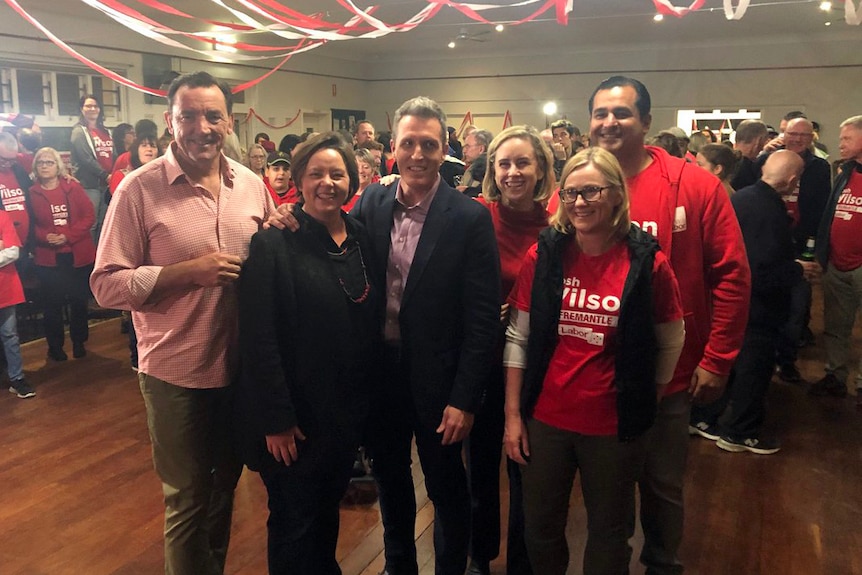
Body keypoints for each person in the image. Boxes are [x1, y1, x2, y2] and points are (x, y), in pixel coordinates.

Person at [90, 71, 273, 575]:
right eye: (188, 115)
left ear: (229, 122)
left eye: (213, 115)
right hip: (175, 373)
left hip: (238, 370)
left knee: (223, 490)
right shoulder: (138, 190)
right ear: (171, 122)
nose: (201, 126)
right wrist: (181, 274)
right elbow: (105, 285)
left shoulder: (253, 188)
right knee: (188, 499)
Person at [588, 76, 750, 574]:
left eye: (622, 113)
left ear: (647, 122)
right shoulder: (578, 186)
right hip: (596, 377)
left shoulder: (696, 185)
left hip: (670, 377)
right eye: (600, 113)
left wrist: (718, 358)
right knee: (606, 494)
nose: (609, 122)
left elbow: (733, 275)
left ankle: (662, 565)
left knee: (661, 486)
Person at [504, 146, 684, 574]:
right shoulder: (544, 254)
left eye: (592, 192)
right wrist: (513, 416)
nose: (580, 203)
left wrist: (648, 399)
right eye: (570, 193)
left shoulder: (647, 261)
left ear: (617, 195)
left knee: (608, 536)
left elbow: (671, 341)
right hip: (545, 421)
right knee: (540, 529)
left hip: (613, 427)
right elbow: (518, 337)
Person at [347, 97, 501, 575]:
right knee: (391, 480)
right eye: (408, 143)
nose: (417, 154)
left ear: (444, 150)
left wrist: (466, 399)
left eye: (428, 144)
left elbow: (481, 320)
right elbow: (328, 236)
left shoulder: (469, 218)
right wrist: (286, 220)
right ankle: (399, 566)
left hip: (442, 382)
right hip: (383, 377)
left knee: (446, 486)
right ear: (392, 147)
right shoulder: (372, 200)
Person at [236, 132, 380, 574]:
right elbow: (259, 338)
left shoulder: (360, 237)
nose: (327, 183)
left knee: (324, 512)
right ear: (298, 179)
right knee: (293, 522)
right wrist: (277, 420)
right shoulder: (274, 243)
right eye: (315, 174)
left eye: (337, 174)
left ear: (351, 181)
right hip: (294, 420)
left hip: (342, 414)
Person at [464, 125, 554, 575]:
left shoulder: (560, 226)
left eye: (523, 163)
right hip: (483, 362)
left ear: (541, 169)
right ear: (492, 170)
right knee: (480, 465)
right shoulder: (476, 216)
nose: (513, 172)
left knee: (525, 468)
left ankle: (522, 561)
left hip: (536, 366)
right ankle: (480, 555)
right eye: (504, 163)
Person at [691, 150, 815, 454]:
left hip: (731, 301)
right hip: (758, 305)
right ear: (791, 180)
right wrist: (798, 269)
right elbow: (761, 269)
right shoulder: (768, 210)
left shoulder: (743, 197)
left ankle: (704, 419)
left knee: (731, 365)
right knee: (753, 368)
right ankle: (740, 432)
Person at [810, 115, 862, 400]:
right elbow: (831, 213)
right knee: (836, 326)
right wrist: (823, 254)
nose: (840, 144)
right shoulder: (845, 172)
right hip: (837, 262)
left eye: (847, 138)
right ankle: (835, 375)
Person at [30, 146, 96, 361]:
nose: (45, 166)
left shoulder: (73, 187)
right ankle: (55, 347)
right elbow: (29, 224)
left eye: (49, 162)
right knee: (52, 306)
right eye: (41, 162)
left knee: (78, 302)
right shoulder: (30, 193)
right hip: (48, 259)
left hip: (76, 255)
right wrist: (44, 237)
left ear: (58, 166)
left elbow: (89, 216)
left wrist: (67, 235)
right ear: (35, 167)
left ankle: (79, 342)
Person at [70, 94, 113, 241]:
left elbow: (112, 154)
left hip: (107, 184)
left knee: (105, 223)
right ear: (82, 109)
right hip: (90, 185)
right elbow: (85, 159)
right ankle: (89, 259)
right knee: (91, 223)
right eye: (88, 106)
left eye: (95, 106)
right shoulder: (79, 132)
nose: (92, 109)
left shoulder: (106, 131)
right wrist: (105, 175)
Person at [1, 208, 33, 398]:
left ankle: (17, 378)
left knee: (9, 335)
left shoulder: (2, 216)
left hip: (5, 287)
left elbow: (13, 252)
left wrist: (5, 248)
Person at [344, 147, 375, 211]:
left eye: (365, 167)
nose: (361, 171)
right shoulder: (344, 193)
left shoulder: (376, 195)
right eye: (357, 167)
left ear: (373, 171)